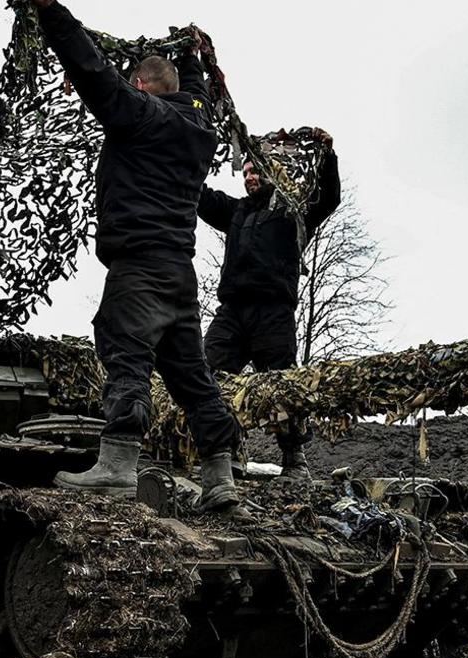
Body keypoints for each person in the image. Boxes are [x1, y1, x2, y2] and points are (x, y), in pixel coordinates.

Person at [32, 0, 247, 515]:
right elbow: (196, 92)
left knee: (124, 350)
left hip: (139, 267)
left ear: (142, 85)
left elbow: (91, 71)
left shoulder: (139, 115)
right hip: (180, 271)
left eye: (133, 83)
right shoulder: (199, 126)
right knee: (191, 373)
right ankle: (221, 478)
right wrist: (192, 57)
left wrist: (51, 14)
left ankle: (117, 465)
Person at [198, 132, 341, 480]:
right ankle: (228, 449)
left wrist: (328, 156)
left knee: (282, 384)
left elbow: (329, 198)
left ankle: (294, 459)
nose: (249, 177)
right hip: (232, 311)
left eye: (255, 171)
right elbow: (200, 198)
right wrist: (180, 157)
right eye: (245, 172)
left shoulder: (293, 212)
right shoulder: (236, 211)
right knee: (209, 373)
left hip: (273, 312)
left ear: (273, 172)